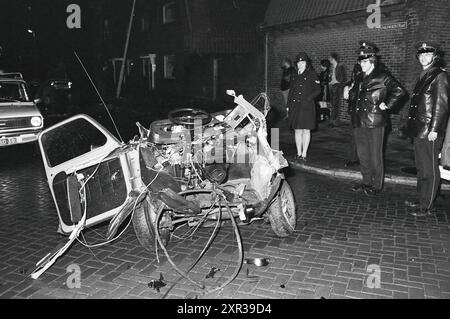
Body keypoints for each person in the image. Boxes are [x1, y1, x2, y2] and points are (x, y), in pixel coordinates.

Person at [349, 41, 406, 196]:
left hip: (375, 121)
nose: (362, 64)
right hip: (359, 120)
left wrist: (387, 105)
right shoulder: (360, 76)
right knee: (363, 154)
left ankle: (376, 185)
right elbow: (356, 96)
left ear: (372, 60)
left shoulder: (382, 76)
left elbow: (400, 91)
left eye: (365, 61)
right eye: (360, 61)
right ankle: (366, 181)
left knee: (375, 155)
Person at [405, 42, 449, 216]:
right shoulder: (425, 74)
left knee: (430, 168)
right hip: (419, 128)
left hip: (430, 130)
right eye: (421, 55)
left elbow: (442, 105)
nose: (423, 57)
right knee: (421, 166)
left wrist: (435, 129)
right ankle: (422, 198)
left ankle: (427, 205)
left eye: (427, 54)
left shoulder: (439, 76)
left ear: (434, 56)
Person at [287, 52, 321, 161]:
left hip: (307, 106)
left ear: (306, 63)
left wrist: (308, 98)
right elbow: (291, 91)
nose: (300, 64)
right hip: (295, 106)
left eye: (302, 62)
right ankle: (298, 152)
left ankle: (304, 154)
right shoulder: (294, 75)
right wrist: (288, 105)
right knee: (297, 130)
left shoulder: (312, 74)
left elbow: (318, 89)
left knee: (306, 130)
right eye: (298, 62)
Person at [344, 62, 363, 167]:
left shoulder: (364, 79)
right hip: (354, 111)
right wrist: (348, 87)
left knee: (360, 136)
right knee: (353, 135)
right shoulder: (354, 80)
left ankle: (359, 158)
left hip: (361, 112)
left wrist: (350, 89)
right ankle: (354, 158)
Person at [328, 52, 347, 127]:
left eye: (329, 57)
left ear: (333, 58)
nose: (328, 59)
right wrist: (330, 81)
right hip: (332, 86)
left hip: (337, 86)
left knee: (335, 104)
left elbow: (344, 78)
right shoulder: (332, 67)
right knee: (333, 104)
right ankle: (333, 120)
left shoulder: (340, 66)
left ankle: (332, 121)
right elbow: (332, 77)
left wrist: (339, 84)